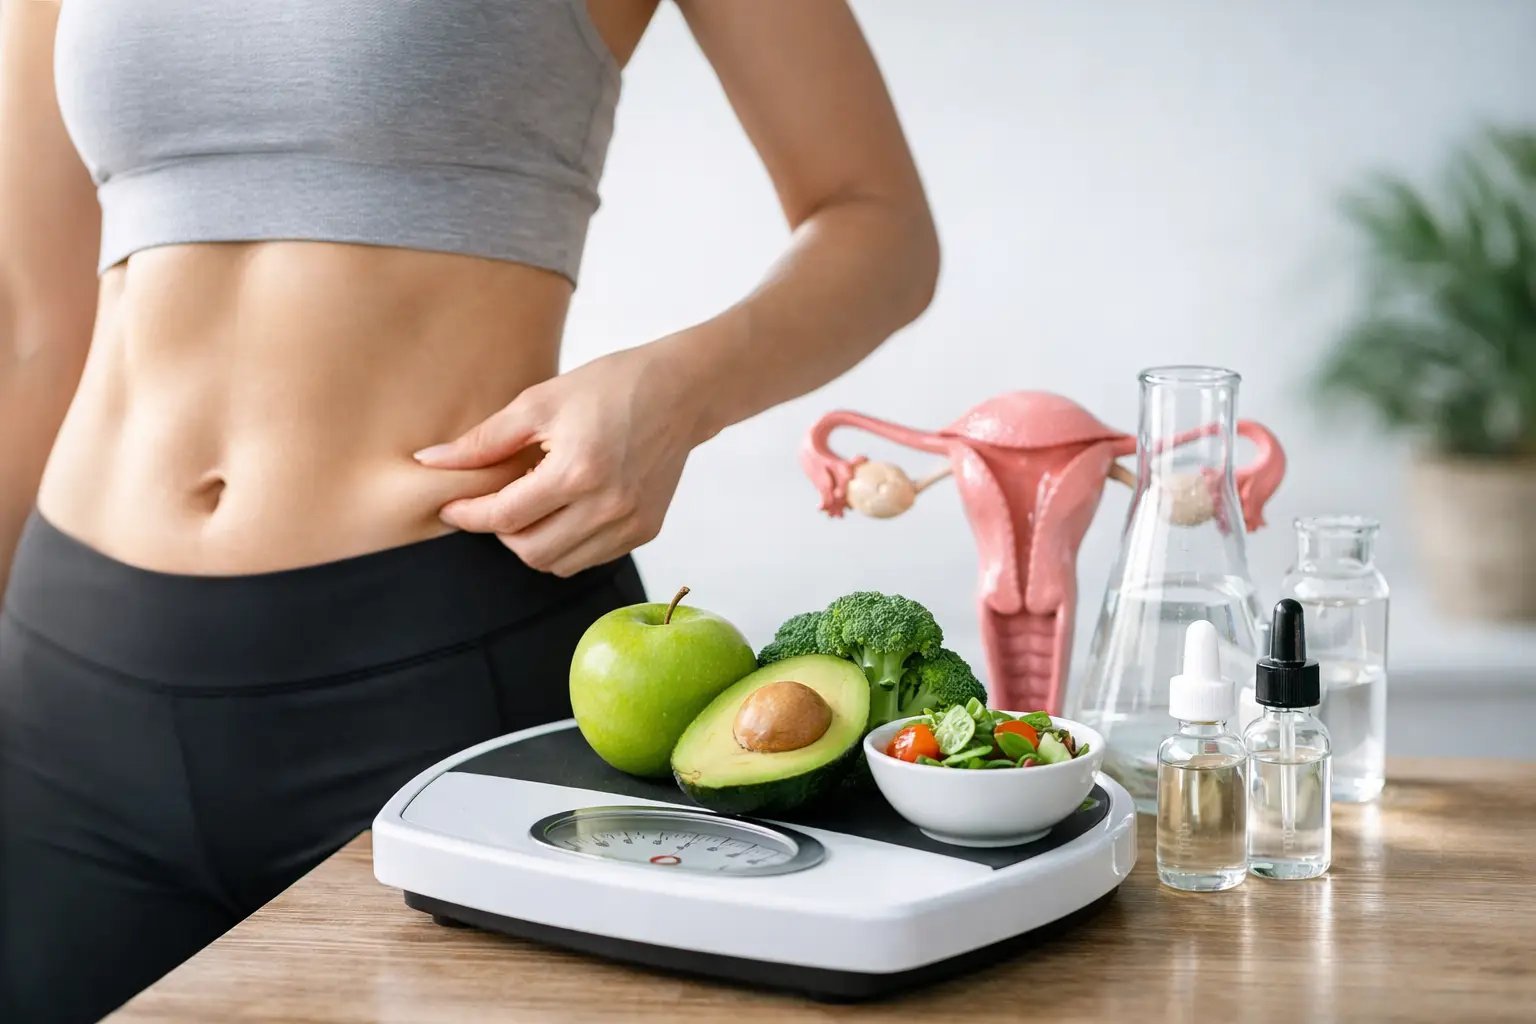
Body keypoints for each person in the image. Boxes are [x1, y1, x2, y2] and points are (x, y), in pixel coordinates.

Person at [0, 1, 937, 1020]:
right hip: (66, 684)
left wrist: (679, 391)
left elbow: (878, 221)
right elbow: (29, 329)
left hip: (437, 677)